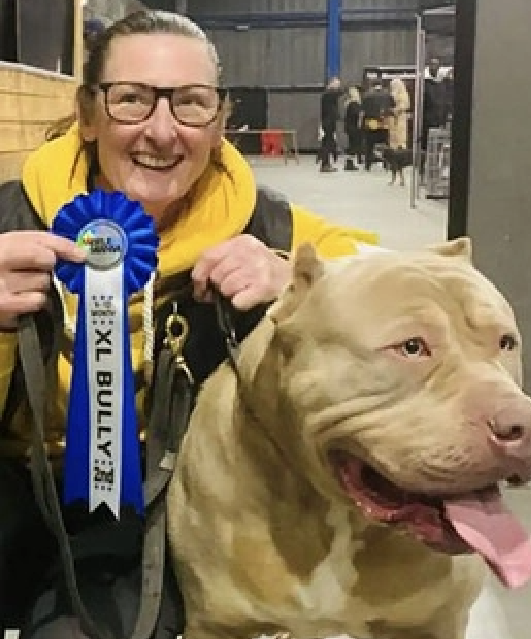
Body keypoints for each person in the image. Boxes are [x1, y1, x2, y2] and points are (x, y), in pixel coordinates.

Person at [0, 10, 374, 639]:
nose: (162, 130)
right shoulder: (10, 215)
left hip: (155, 498)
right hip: (13, 474)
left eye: (192, 103)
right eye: (132, 99)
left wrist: (302, 279)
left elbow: (403, 280)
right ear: (88, 114)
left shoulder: (267, 225)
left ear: (220, 121)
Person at [360, 81, 394, 171]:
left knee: (369, 145)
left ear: (372, 85)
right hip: (384, 123)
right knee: (385, 144)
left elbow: (363, 110)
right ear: (381, 85)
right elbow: (392, 107)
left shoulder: (366, 95)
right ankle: (386, 164)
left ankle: (367, 165)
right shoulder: (387, 94)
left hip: (371, 123)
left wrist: (361, 124)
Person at [318, 76, 342, 172]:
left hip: (329, 121)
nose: (338, 86)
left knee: (327, 143)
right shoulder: (328, 94)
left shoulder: (330, 94)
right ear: (330, 83)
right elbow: (339, 93)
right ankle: (325, 165)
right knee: (327, 143)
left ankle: (326, 163)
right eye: (336, 84)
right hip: (328, 122)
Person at [342, 85, 362, 171]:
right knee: (354, 146)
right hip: (354, 127)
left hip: (350, 127)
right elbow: (357, 114)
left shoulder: (348, 103)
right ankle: (349, 163)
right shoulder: (354, 104)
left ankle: (349, 163)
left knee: (352, 145)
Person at [387, 78, 410, 151]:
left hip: (400, 118)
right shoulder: (391, 94)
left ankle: (400, 151)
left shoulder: (403, 94)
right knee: (392, 137)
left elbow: (405, 105)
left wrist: (396, 110)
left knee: (400, 136)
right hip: (392, 119)